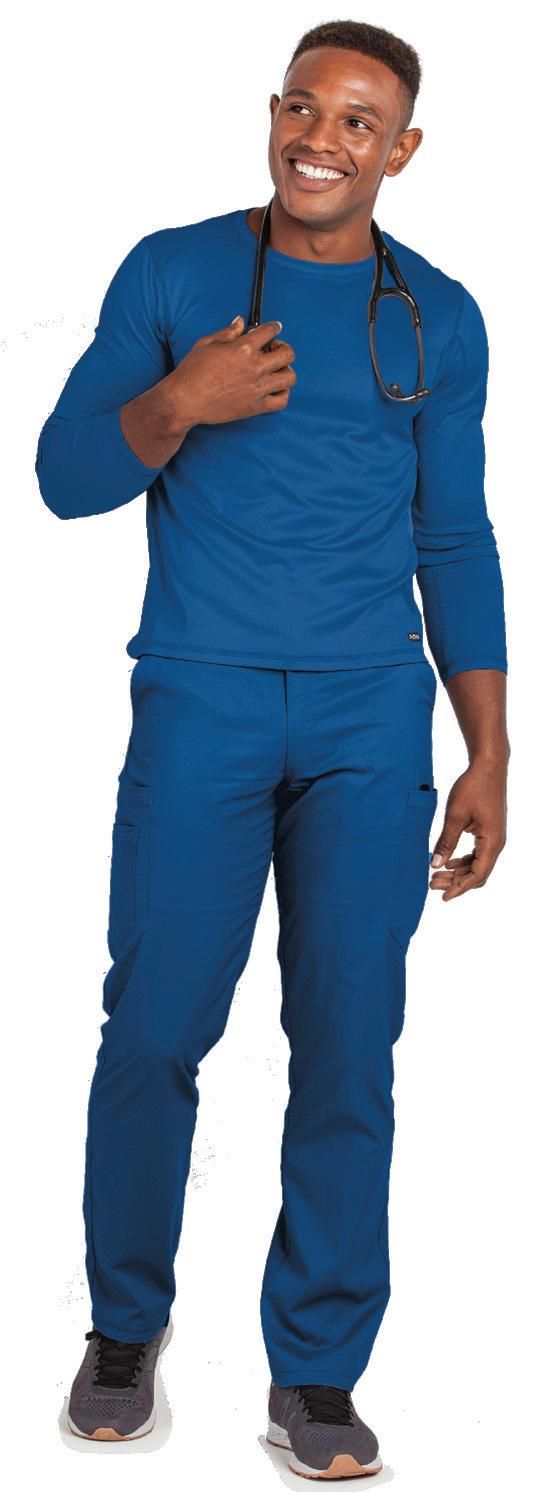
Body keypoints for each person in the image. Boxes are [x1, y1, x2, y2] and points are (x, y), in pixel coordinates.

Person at [35, 17, 510, 1475]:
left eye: (359, 120)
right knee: (154, 1030)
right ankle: (125, 1327)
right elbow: (64, 476)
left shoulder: (438, 317)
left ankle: (315, 1370)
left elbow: (455, 538)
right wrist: (180, 401)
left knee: (350, 1049)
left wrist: (490, 751)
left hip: (371, 720)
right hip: (204, 699)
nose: (322, 137)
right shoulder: (173, 272)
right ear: (273, 114)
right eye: (304, 106)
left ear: (401, 150)